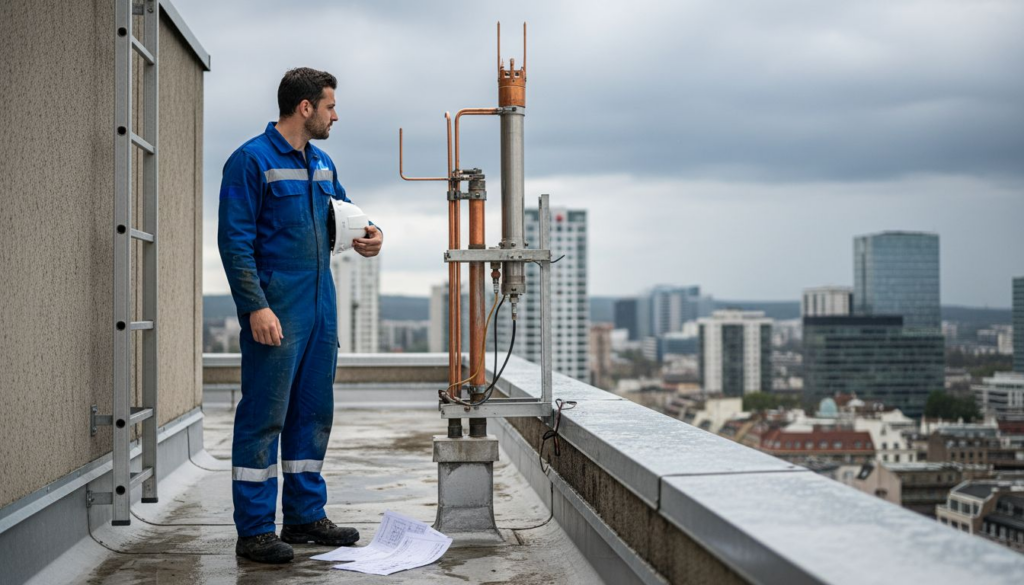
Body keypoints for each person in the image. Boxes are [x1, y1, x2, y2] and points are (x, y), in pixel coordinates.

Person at [218, 67, 383, 564]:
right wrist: (255, 306)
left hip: (320, 305)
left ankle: (305, 517)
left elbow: (345, 212)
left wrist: (370, 233)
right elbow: (234, 242)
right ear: (305, 107)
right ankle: (254, 531)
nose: (336, 115)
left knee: (312, 412)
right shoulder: (251, 160)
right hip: (277, 306)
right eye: (330, 106)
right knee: (264, 416)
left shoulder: (323, 162)